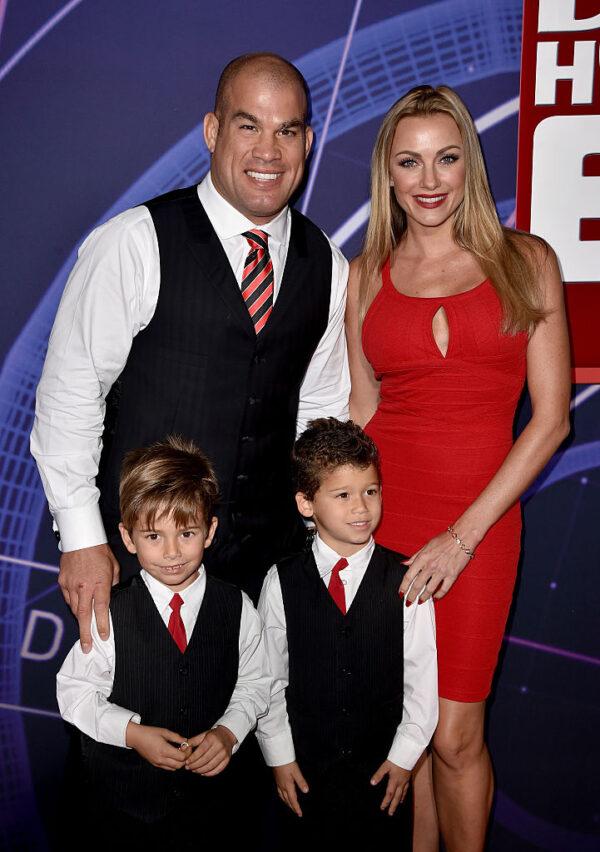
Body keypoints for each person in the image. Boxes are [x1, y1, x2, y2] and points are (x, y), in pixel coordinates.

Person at [31, 52, 349, 651]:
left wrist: (320, 543)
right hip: (137, 566)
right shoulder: (134, 242)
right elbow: (69, 396)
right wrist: (80, 539)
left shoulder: (327, 264)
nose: (268, 151)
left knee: (250, 742)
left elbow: (320, 414)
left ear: (308, 142)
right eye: (248, 125)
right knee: (126, 737)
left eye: (287, 131)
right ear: (212, 131)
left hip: (265, 579)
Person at [345, 85, 571, 852]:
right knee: (411, 731)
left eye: (446, 158)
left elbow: (551, 421)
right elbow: (362, 415)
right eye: (410, 162)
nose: (430, 179)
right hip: (385, 524)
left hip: (478, 528)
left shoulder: (526, 259)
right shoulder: (367, 273)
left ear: (468, 164)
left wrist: (461, 538)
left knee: (456, 736)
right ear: (389, 174)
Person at [56, 436, 270, 849]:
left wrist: (229, 732)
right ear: (128, 537)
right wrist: (133, 734)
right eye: (154, 536)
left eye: (186, 532)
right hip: (121, 810)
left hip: (214, 812)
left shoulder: (237, 606)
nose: (172, 552)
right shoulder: (110, 612)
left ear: (210, 531)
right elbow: (75, 693)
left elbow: (258, 682)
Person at [255, 418, 438, 846]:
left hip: (383, 779)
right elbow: (268, 679)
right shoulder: (280, 581)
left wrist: (404, 758)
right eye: (343, 495)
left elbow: (421, 685)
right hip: (304, 776)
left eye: (370, 491)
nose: (361, 507)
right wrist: (279, 757)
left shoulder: (407, 580)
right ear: (306, 503)